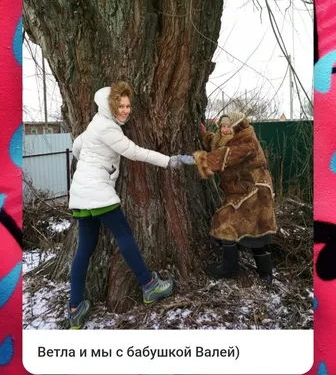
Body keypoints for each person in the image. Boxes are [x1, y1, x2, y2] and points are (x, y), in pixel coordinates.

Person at [68, 81, 192, 329]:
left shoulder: (96, 122)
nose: (125, 110)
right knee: (124, 235)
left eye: (127, 106)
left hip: (80, 194)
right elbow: (135, 152)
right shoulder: (109, 129)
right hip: (97, 191)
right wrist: (170, 161)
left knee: (84, 249)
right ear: (111, 105)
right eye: (120, 106)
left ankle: (75, 307)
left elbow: (77, 147)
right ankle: (149, 285)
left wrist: (91, 165)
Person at [194, 112, 277, 284]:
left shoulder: (246, 141)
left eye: (228, 126)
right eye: (222, 126)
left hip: (254, 191)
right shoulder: (229, 138)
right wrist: (204, 134)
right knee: (246, 230)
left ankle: (259, 274)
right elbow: (216, 143)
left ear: (237, 127)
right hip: (241, 191)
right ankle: (239, 268)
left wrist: (198, 160)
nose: (224, 130)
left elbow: (225, 155)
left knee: (243, 228)